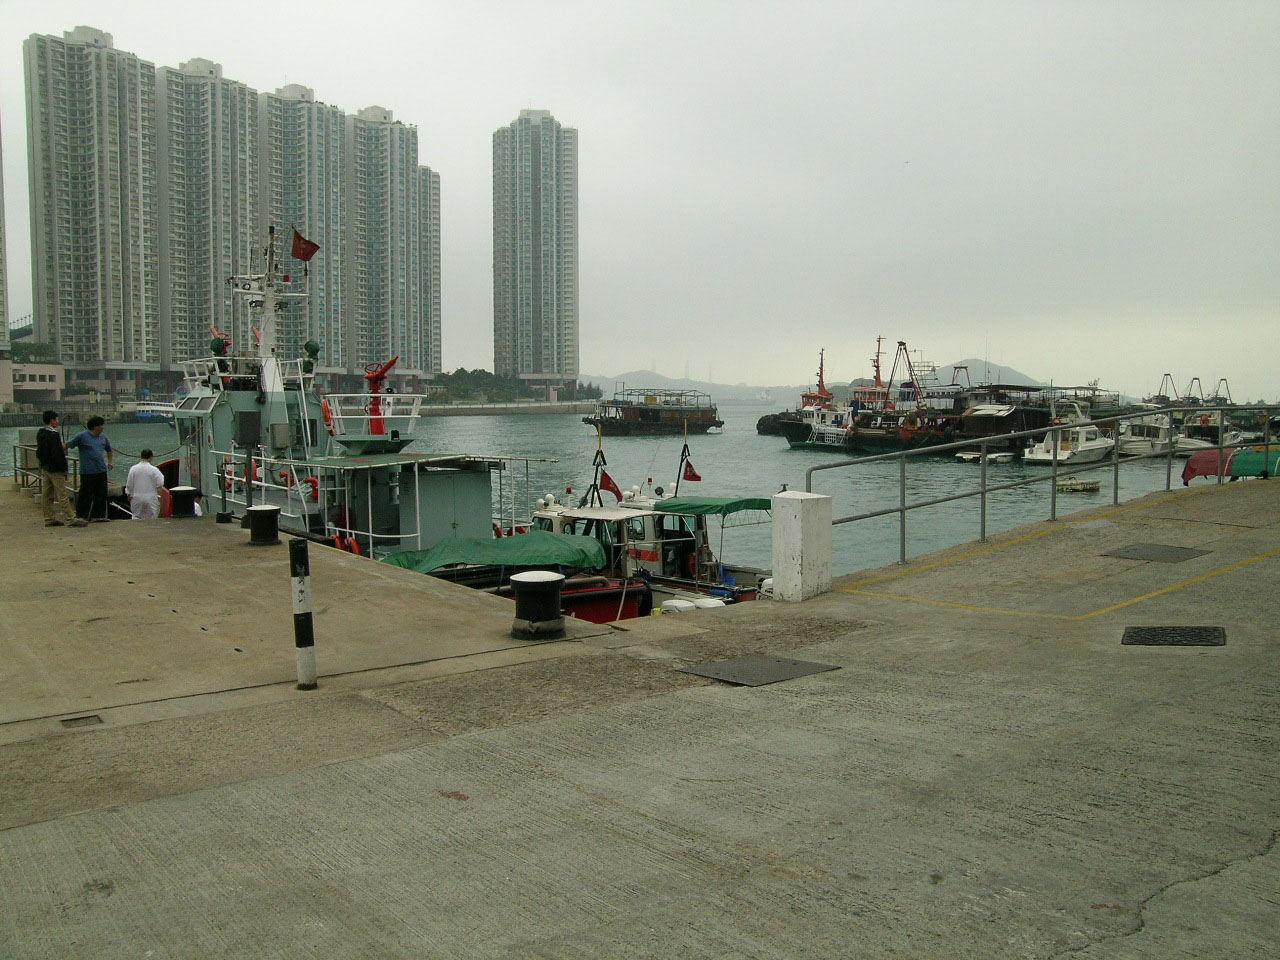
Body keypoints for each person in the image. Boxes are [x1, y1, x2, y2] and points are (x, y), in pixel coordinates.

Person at [36, 410, 83, 527]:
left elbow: (40, 452)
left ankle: (49, 518)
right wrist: (63, 467)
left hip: (46, 467)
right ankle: (71, 518)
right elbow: (57, 453)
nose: (58, 422)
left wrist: (44, 463)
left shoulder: (41, 433)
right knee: (62, 494)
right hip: (55, 469)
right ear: (52, 420)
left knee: (47, 494)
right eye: (57, 419)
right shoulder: (53, 435)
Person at [67, 416, 114, 522]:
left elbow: (109, 450)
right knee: (85, 494)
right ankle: (81, 516)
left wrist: (110, 462)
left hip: (101, 470)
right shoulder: (82, 436)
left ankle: (97, 516)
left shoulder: (103, 437)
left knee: (101, 494)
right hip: (87, 471)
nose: (103, 427)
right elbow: (68, 445)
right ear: (94, 427)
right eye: (101, 425)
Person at [124, 448, 166, 519]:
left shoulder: (133, 469)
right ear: (151, 457)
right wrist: (158, 493)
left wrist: (129, 494)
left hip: (137, 497)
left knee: (136, 517)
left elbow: (129, 484)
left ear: (141, 457)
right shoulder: (154, 470)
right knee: (152, 519)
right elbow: (160, 483)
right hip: (151, 498)